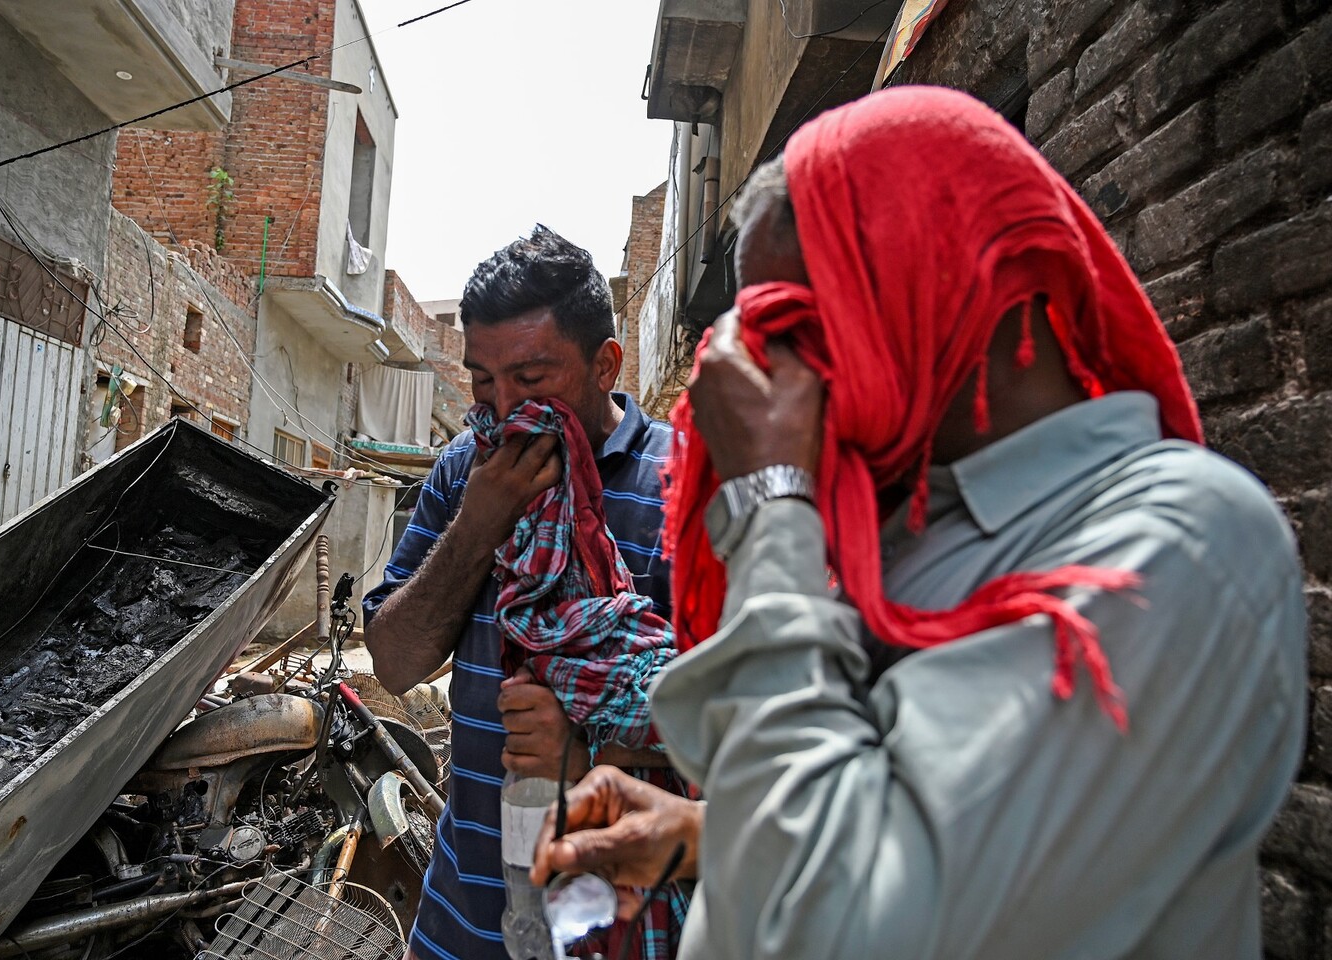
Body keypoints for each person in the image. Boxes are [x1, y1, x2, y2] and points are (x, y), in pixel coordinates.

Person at [531, 87, 1305, 960]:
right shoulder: (898, 539)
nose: (764, 377)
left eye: (792, 328)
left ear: (949, 275)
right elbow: (900, 806)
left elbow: (846, 925)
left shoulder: (1178, 551)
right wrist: (710, 832)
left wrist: (771, 504)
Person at [363, 226, 686, 960]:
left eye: (533, 382)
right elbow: (393, 663)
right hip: (458, 924)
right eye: (484, 380)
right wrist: (479, 524)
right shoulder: (465, 470)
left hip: (614, 930)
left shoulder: (685, 485)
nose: (504, 409)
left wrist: (599, 748)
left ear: (606, 365)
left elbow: (748, 729)